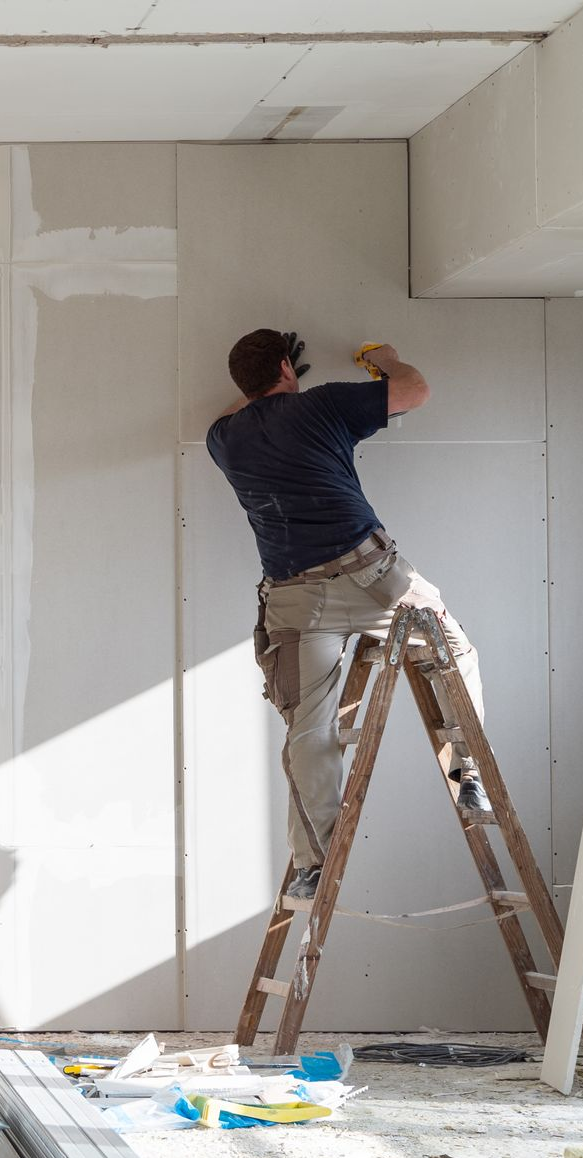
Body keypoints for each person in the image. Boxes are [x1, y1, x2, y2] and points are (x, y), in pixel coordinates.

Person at [206, 329, 489, 901]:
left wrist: (272, 387)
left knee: (309, 727)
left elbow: (241, 405)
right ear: (288, 367)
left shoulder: (224, 438)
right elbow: (413, 390)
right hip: (373, 578)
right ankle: (469, 776)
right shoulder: (322, 405)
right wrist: (382, 359)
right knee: (454, 650)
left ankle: (314, 863)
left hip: (292, 599)